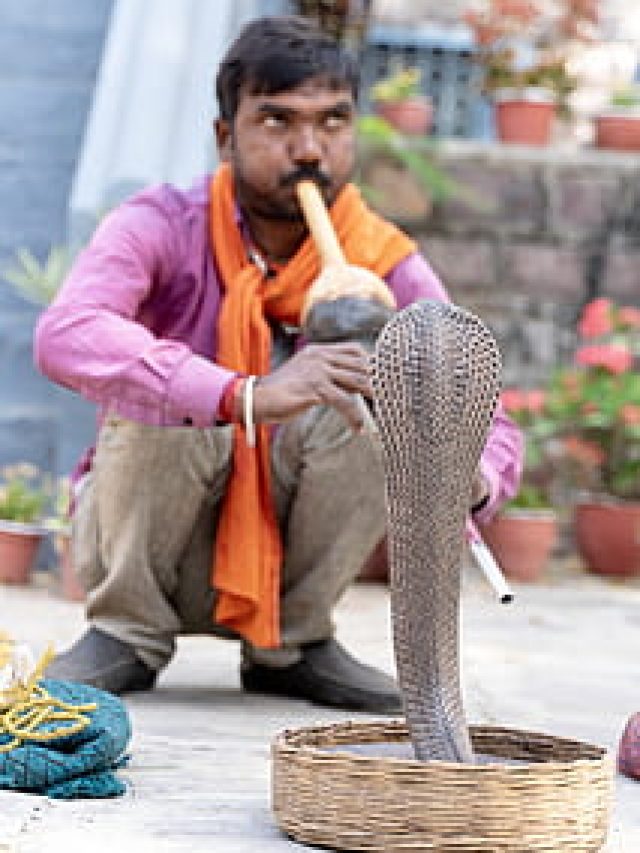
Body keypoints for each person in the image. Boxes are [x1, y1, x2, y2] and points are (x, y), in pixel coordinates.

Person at [35, 16, 522, 712]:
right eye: (277, 122)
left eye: (332, 123)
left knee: (365, 399)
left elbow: (487, 409)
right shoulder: (161, 222)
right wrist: (246, 392)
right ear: (224, 137)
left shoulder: (382, 257)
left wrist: (468, 475)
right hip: (156, 543)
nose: (308, 148)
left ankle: (293, 644)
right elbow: (68, 331)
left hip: (289, 546)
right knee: (177, 393)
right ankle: (125, 629)